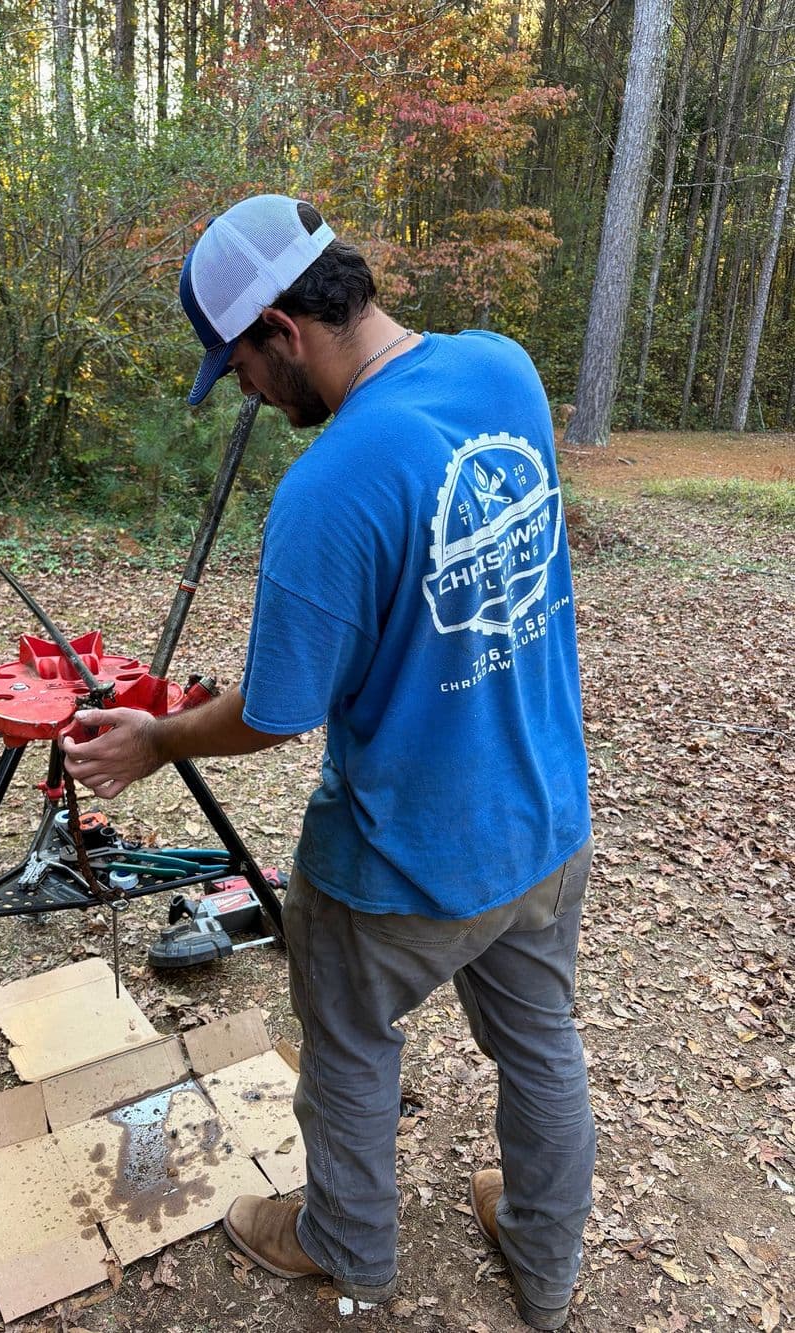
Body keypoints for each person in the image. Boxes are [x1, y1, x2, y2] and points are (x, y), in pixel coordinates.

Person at [62, 194, 595, 1331]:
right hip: (546, 814)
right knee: (542, 1045)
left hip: (405, 852)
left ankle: (346, 1244)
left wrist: (158, 738)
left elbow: (277, 715)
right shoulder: (501, 368)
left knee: (349, 1045)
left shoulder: (330, 484)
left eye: (242, 370)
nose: (247, 395)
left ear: (282, 330)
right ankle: (545, 1264)